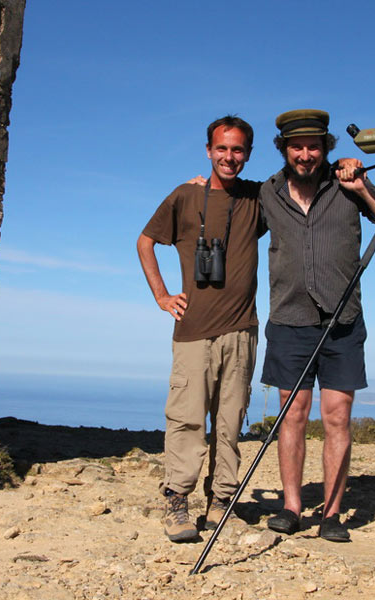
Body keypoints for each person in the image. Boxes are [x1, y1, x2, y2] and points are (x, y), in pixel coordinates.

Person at [259, 109, 375, 542]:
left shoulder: (346, 185)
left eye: (314, 146)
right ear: (284, 149)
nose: (306, 154)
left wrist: (362, 187)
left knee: (337, 417)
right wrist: (203, 187)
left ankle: (332, 513)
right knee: (291, 415)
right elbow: (234, 217)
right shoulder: (267, 193)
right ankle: (292, 507)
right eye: (297, 146)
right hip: (289, 319)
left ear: (325, 147)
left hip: (343, 320)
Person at [136, 115, 264, 543]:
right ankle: (177, 501)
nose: (230, 157)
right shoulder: (185, 196)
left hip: (242, 330)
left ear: (248, 153)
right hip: (192, 330)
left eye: (238, 149)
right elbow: (145, 240)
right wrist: (161, 295)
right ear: (209, 150)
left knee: (231, 422)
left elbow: (303, 179)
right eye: (222, 149)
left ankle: (224, 500)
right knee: (187, 420)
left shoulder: (258, 198)